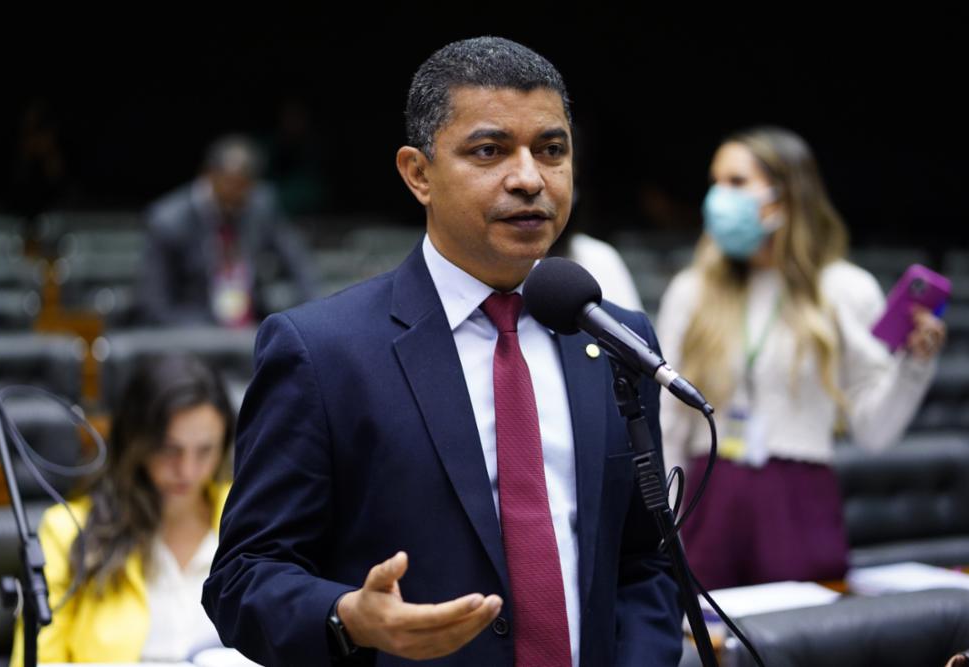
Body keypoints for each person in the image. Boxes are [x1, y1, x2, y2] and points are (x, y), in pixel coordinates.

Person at [203, 36, 682, 667]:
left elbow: (643, 562)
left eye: (551, 150)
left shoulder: (614, 339)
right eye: (489, 151)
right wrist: (347, 617)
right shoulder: (322, 351)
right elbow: (244, 576)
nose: (529, 178)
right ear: (418, 174)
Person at [657, 126, 947, 590]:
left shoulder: (845, 289)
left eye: (736, 182)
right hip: (708, 499)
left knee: (804, 626)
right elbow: (667, 421)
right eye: (715, 182)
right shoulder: (691, 291)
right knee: (703, 633)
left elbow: (874, 433)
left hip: (798, 502)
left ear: (785, 195)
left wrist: (914, 365)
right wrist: (664, 522)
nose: (718, 198)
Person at [11, 354, 236, 664]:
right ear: (136, 442)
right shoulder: (69, 530)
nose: (187, 470)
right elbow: (37, 660)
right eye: (170, 450)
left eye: (205, 451)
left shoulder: (250, 517)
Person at [137, 134, 317, 327]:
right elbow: (156, 305)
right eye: (230, 184)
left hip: (252, 323)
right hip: (193, 328)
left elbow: (298, 262)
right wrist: (209, 333)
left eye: (244, 188)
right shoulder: (168, 221)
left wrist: (311, 313)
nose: (236, 196)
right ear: (209, 175)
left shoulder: (261, 205)